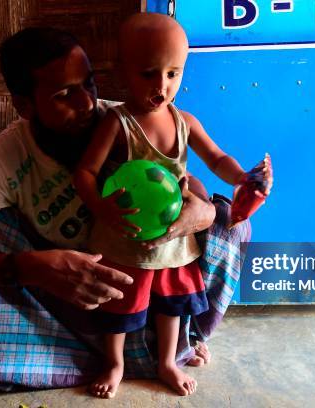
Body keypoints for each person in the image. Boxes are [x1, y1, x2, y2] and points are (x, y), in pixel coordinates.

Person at [0, 26, 251, 391]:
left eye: (88, 84)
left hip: (151, 270)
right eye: (64, 94)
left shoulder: (120, 119)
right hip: (72, 307)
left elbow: (183, 180)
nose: (87, 103)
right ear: (24, 105)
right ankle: (119, 359)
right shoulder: (2, 163)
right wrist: (31, 268)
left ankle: (169, 348)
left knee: (230, 221)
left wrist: (205, 213)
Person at [74, 13, 271, 398]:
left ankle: (167, 361)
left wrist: (242, 178)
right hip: (125, 233)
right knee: (119, 301)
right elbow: (84, 171)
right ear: (122, 71)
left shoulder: (184, 121)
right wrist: (101, 207)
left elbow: (216, 158)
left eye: (172, 73)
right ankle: (114, 363)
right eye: (148, 73)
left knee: (173, 303)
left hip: (174, 237)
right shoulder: (118, 123)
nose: (161, 86)